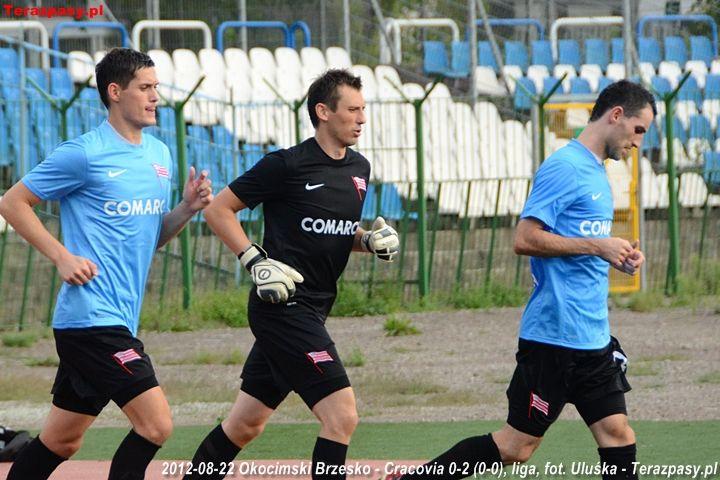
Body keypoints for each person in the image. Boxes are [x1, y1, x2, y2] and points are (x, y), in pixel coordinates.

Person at [388, 80, 656, 480]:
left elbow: (586, 247)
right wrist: (597, 246)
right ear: (616, 115)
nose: (638, 142)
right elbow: (525, 239)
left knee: (617, 433)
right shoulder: (565, 167)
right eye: (638, 130)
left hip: (593, 339)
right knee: (516, 447)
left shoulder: (597, 172)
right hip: (553, 340)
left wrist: (617, 256)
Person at [0, 47, 213, 480]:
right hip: (90, 321)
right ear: (115, 92)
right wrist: (61, 256)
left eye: (156, 87)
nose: (155, 97)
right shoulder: (84, 153)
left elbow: (149, 238)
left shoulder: (159, 155)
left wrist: (186, 209)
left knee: (62, 440)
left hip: (119, 318)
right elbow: (12, 202)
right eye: (145, 88)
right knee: (156, 425)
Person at [183, 69, 399, 480]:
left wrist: (368, 240)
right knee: (341, 416)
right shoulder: (286, 164)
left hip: (316, 309)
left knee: (245, 424)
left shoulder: (359, 168)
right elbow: (218, 210)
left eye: (363, 110)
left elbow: (335, 232)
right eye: (352, 110)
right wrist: (253, 260)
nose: (361, 119)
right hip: (283, 309)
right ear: (323, 112)